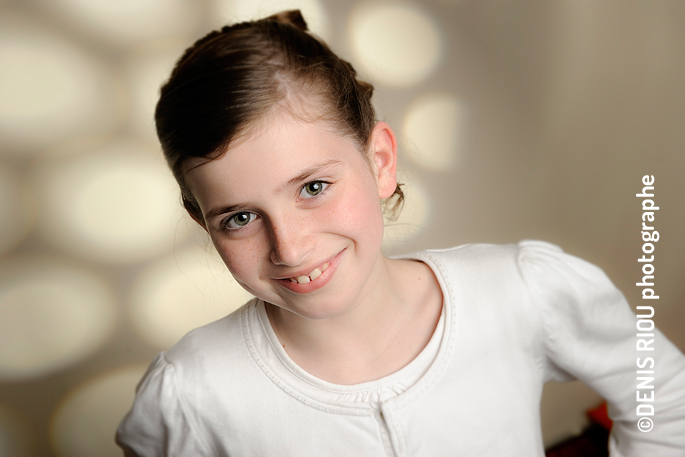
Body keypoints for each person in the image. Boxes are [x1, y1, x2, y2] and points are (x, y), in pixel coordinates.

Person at [116, 10, 685, 456]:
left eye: (313, 187)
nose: (290, 247)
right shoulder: (191, 395)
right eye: (239, 218)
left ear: (381, 162)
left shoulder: (521, 290)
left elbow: (665, 397)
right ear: (203, 222)